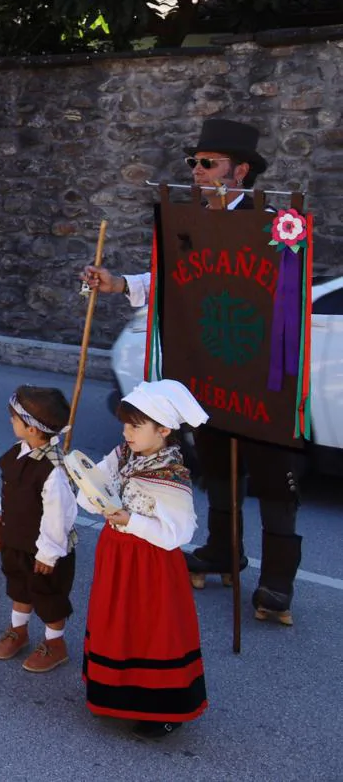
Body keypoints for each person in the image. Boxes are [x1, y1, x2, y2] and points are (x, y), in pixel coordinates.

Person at [81, 117, 303, 626]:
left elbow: (290, 291)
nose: (198, 173)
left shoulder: (275, 222)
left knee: (271, 473)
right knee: (218, 463)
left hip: (261, 370)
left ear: (241, 171)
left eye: (209, 164)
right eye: (195, 164)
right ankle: (225, 553)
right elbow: (169, 277)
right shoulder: (191, 224)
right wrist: (118, 285)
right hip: (208, 365)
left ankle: (277, 581)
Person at [80, 380, 210, 738]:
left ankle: (164, 710)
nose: (126, 432)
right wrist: (87, 485)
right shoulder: (123, 454)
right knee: (116, 621)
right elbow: (95, 484)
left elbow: (181, 533)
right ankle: (114, 695)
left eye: (136, 425)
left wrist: (130, 520)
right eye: (125, 424)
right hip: (117, 554)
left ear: (164, 429)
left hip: (150, 563)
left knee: (152, 629)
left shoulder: (170, 477)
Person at [0, 386, 78, 675]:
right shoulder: (19, 452)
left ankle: (55, 643)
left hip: (44, 550)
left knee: (48, 596)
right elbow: (12, 492)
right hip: (17, 539)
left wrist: (49, 554)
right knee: (18, 585)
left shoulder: (53, 471)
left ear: (32, 428)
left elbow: (58, 516)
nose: (11, 423)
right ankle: (19, 631)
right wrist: (3, 521)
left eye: (15, 419)